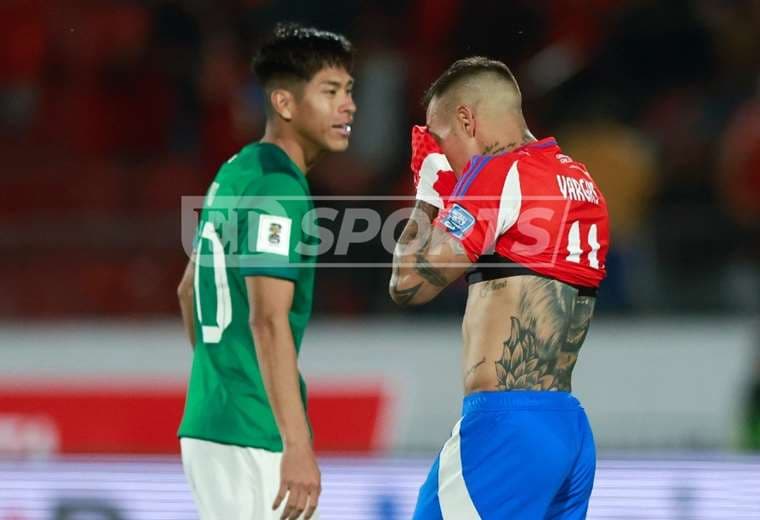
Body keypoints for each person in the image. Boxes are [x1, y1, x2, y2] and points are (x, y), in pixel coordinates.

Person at [389, 56, 609, 519]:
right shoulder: (581, 180)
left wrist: (427, 196)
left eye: (440, 139)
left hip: (505, 428)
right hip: (567, 430)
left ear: (467, 119)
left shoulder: (498, 173)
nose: (440, 153)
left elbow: (407, 284)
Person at [176, 23, 355, 520]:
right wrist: (296, 446)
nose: (348, 106)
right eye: (330, 92)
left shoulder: (236, 170)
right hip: (253, 434)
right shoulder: (280, 191)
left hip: (219, 422)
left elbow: (189, 288)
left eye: (349, 91)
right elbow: (267, 319)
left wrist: (224, 374)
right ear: (285, 103)